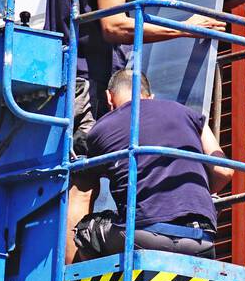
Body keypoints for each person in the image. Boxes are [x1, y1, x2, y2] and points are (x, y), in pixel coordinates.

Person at [44, 0, 222, 261]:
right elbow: (113, 25)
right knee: (85, 183)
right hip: (89, 79)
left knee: (88, 174)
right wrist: (183, 31)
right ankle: (69, 279)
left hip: (60, 70)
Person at [73, 68, 231, 260]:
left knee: (85, 232)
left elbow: (84, 191)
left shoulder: (100, 130)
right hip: (202, 240)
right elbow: (224, 172)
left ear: (109, 97)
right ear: (151, 96)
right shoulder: (191, 115)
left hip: (144, 236)